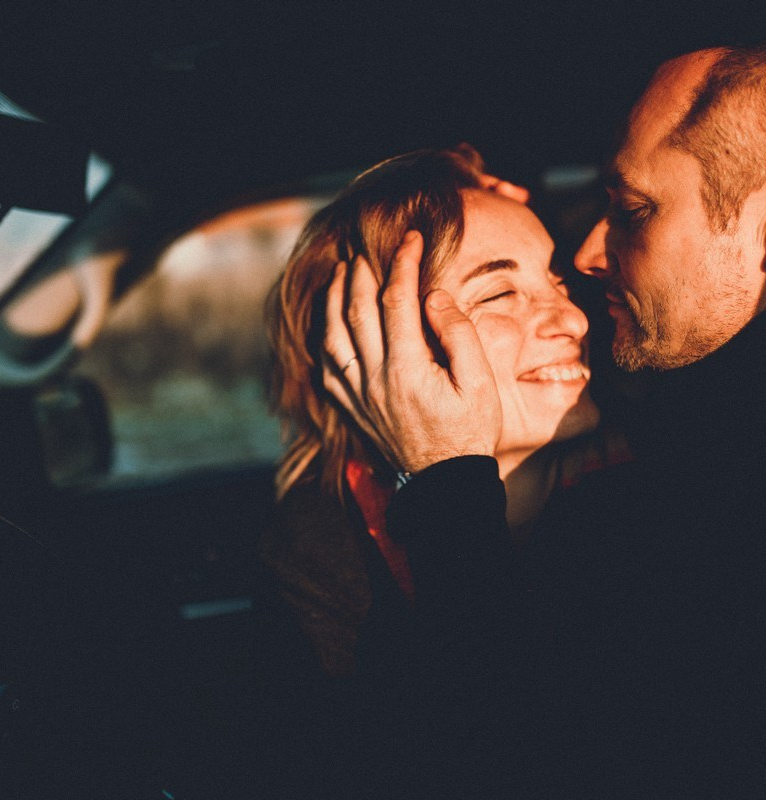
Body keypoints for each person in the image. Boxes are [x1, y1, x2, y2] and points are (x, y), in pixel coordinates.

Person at [324, 43, 766, 797]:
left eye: (632, 210)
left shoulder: (747, 494)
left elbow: (510, 758)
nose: (586, 259)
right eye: (499, 292)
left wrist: (445, 484)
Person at [256, 145, 623, 796]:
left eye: (557, 281)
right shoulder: (324, 554)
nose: (571, 319)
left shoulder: (652, 488)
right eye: (502, 292)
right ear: (376, 345)